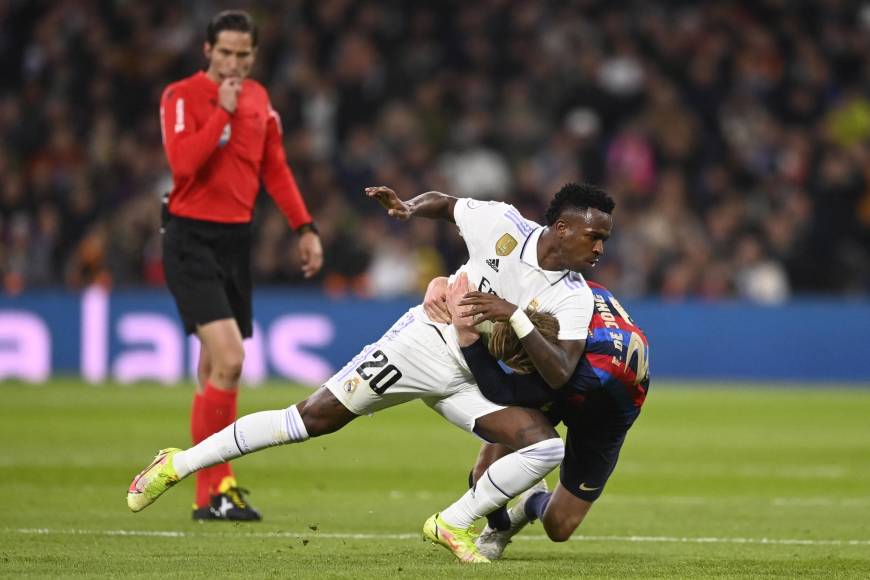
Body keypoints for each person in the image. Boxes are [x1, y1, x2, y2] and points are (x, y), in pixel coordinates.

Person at [128, 182, 614, 563]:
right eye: (594, 235)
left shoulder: (575, 295)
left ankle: (454, 523)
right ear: (563, 228)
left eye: (605, 239)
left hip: (475, 373)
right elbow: (445, 204)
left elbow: (561, 369)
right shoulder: (501, 223)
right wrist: (407, 207)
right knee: (311, 420)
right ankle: (178, 463)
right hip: (424, 343)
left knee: (546, 444)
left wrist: (515, 315)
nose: (600, 248)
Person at [158, 10, 323, 521]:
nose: (234, 63)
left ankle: (210, 496)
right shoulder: (181, 97)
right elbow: (183, 166)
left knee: (213, 367)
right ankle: (217, 486)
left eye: (243, 55)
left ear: (254, 55)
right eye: (225, 52)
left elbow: (275, 168)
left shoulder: (259, 100)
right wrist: (221, 114)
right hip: (190, 238)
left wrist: (304, 228)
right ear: (207, 50)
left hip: (235, 240)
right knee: (229, 360)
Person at [434, 270, 650, 560]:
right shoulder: (566, 294)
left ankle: (531, 501)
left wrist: (468, 337)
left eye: (518, 364)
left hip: (603, 414)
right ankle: (500, 528)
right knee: (483, 471)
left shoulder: (576, 374)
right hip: (585, 366)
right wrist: (441, 284)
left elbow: (501, 391)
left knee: (559, 526)